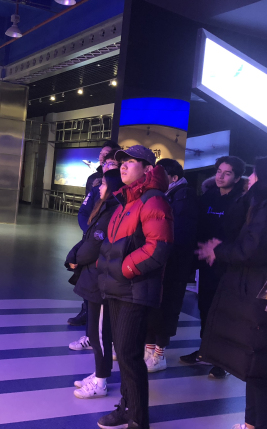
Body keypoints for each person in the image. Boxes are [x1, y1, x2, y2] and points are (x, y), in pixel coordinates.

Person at [196, 156, 267, 429]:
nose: (250, 179)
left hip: (260, 292)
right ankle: (251, 423)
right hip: (257, 289)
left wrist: (219, 250)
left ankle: (260, 424)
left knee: (259, 367)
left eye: (255, 174)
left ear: (266, 177)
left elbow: (255, 248)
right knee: (254, 366)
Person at [96, 145, 173, 429]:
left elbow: (158, 248)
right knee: (124, 352)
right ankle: (127, 406)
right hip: (119, 287)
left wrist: (123, 269)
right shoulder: (126, 200)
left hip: (135, 289)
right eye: (122, 162)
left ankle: (139, 420)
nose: (124, 166)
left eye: (131, 161)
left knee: (129, 355)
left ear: (148, 168)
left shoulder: (153, 200)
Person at [180, 155, 246, 379]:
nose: (221, 176)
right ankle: (205, 350)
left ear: (237, 178)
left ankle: (222, 360)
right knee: (205, 307)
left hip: (227, 264)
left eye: (227, 173)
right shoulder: (209, 196)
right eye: (219, 171)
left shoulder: (241, 201)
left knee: (224, 312)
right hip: (205, 262)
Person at [65, 169, 124, 399]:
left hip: (99, 279)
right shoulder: (104, 208)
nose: (99, 188)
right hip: (92, 277)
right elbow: (88, 238)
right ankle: (98, 373)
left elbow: (94, 245)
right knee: (94, 331)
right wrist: (74, 256)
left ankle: (101, 381)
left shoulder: (111, 211)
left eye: (103, 184)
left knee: (100, 334)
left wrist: (75, 259)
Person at [144, 158, 198, 372]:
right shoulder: (162, 194)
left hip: (174, 264)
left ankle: (159, 354)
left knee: (168, 307)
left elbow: (181, 234)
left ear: (173, 178)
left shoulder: (184, 196)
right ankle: (149, 349)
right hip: (160, 262)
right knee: (153, 305)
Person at [69, 141, 120, 327]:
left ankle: (97, 330)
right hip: (91, 238)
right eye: (104, 160)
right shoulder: (95, 183)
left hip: (105, 248)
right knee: (87, 283)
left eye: (111, 162)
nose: (104, 162)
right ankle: (87, 314)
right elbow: (84, 211)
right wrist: (90, 231)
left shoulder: (120, 194)